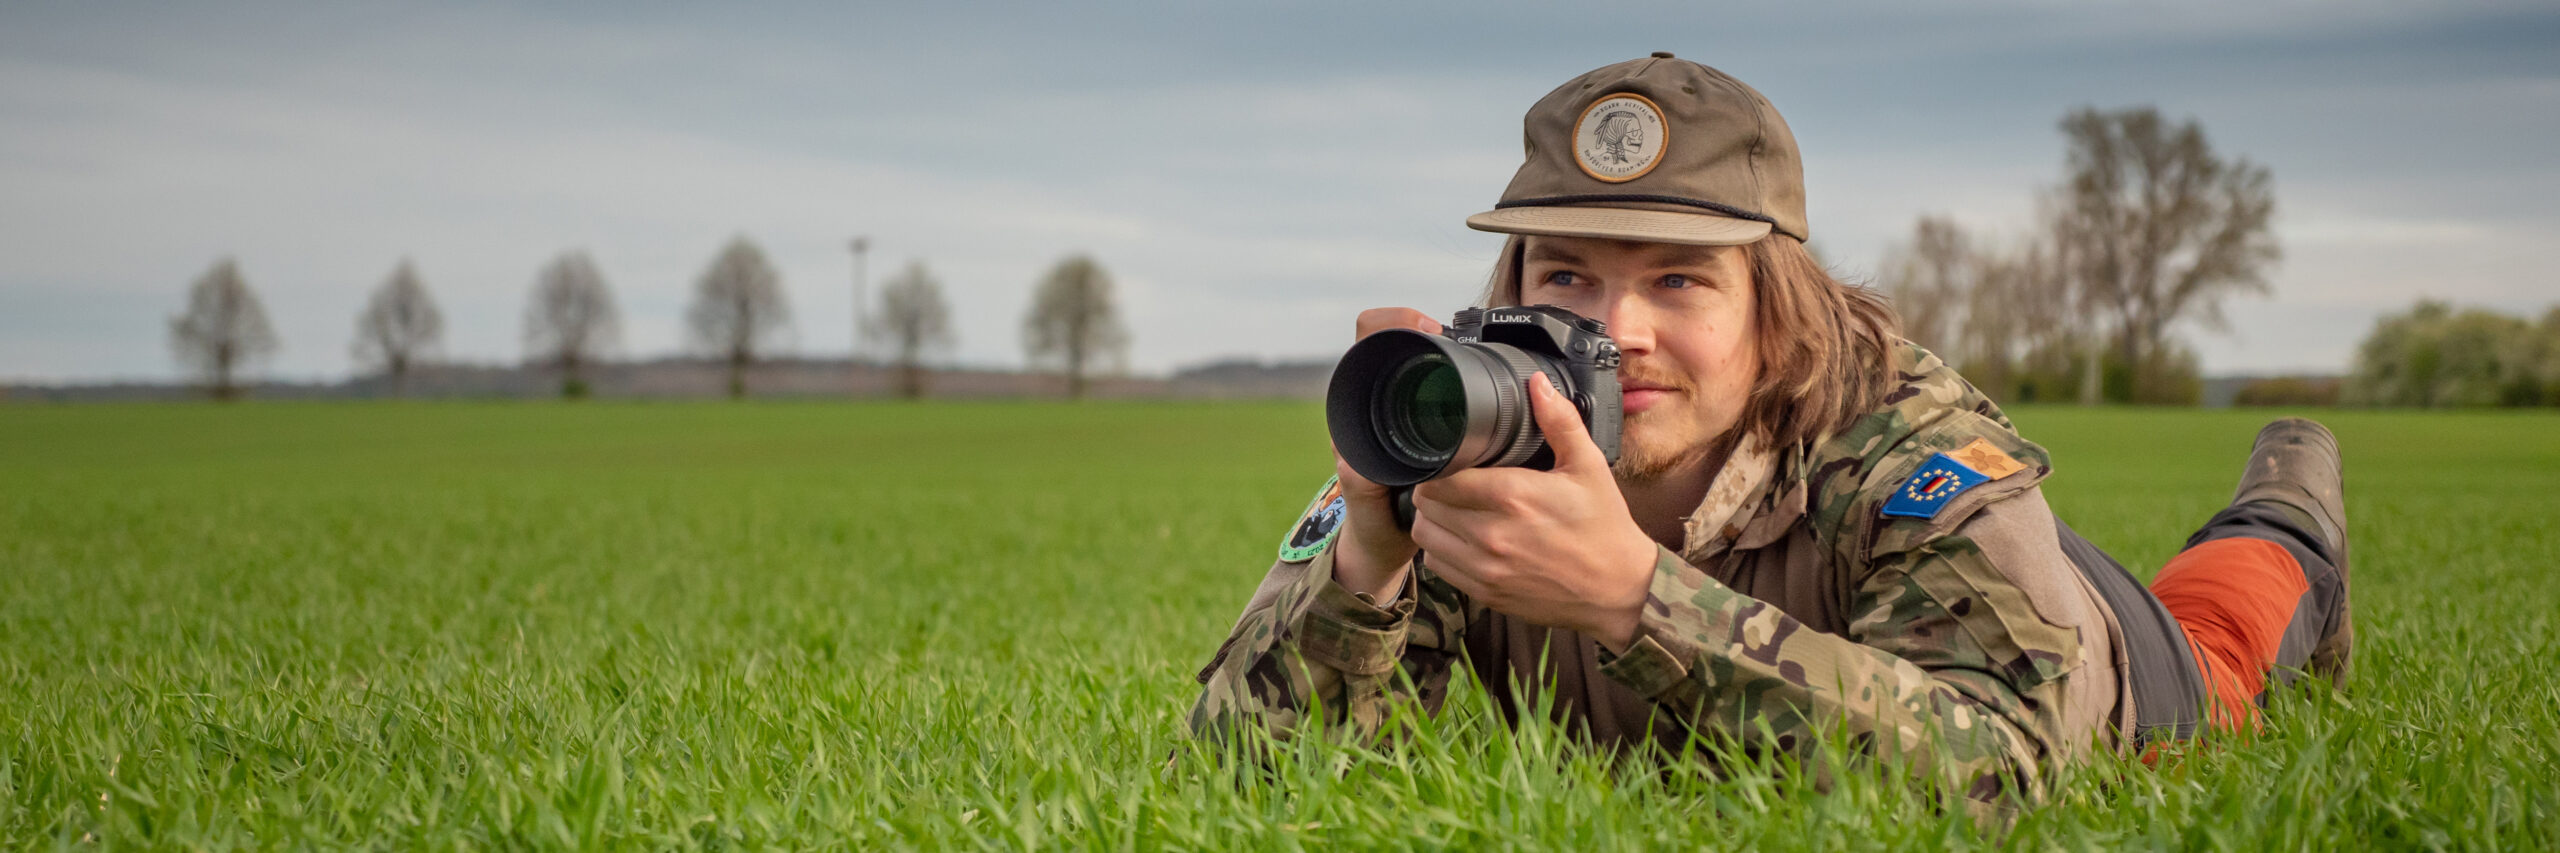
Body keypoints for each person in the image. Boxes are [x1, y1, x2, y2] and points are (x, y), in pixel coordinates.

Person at [1184, 52, 2352, 813]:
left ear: (1770, 304)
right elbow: (1244, 783)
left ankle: (2293, 492)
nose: (1615, 330)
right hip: (1885, 614)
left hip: (2109, 660)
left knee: (2231, 617)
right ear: (1512, 279)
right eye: (1569, 274)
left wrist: (1631, 598)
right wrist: (1367, 566)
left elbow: (2000, 771)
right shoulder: (1471, 422)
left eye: (1680, 283)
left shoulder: (1910, 447)